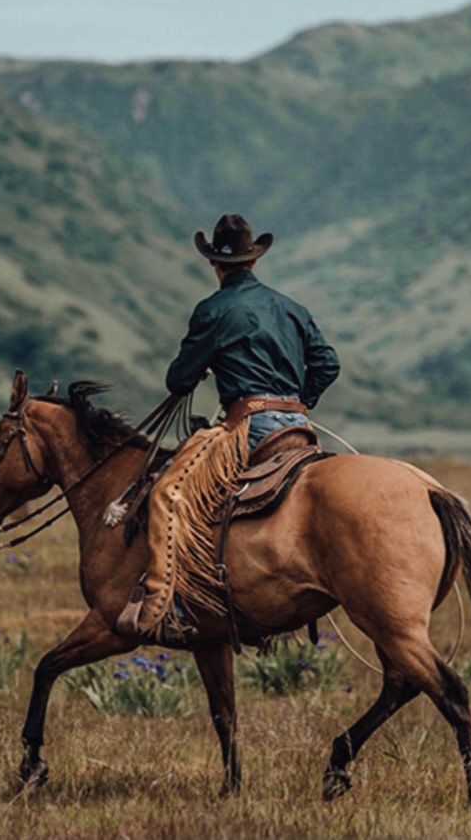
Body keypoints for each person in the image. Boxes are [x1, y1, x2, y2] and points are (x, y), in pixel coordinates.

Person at [116, 213, 339, 640]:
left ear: (214, 263)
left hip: (248, 427)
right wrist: (300, 400)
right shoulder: (291, 308)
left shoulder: (213, 310)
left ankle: (166, 605)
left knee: (169, 493)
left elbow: (178, 380)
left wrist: (205, 366)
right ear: (254, 260)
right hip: (297, 425)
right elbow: (328, 363)